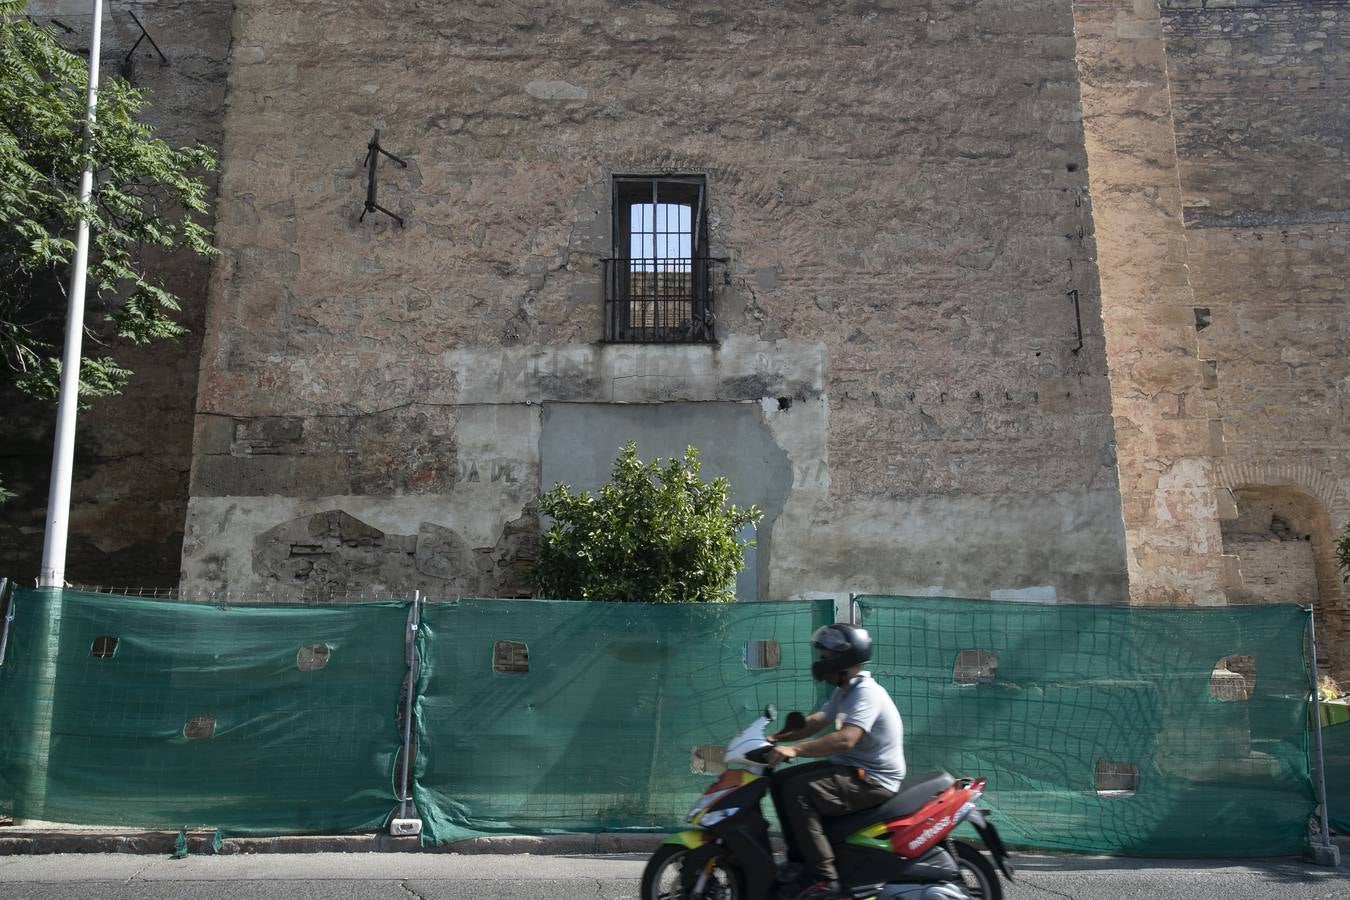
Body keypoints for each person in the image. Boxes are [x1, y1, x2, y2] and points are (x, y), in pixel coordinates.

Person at [764, 623, 906, 900]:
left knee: (798, 791)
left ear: (845, 658)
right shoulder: (845, 690)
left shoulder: (866, 692)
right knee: (781, 781)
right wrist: (775, 738)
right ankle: (800, 862)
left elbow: (846, 739)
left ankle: (823, 878)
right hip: (852, 768)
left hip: (874, 778)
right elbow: (819, 720)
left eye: (827, 656)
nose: (822, 662)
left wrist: (795, 750)